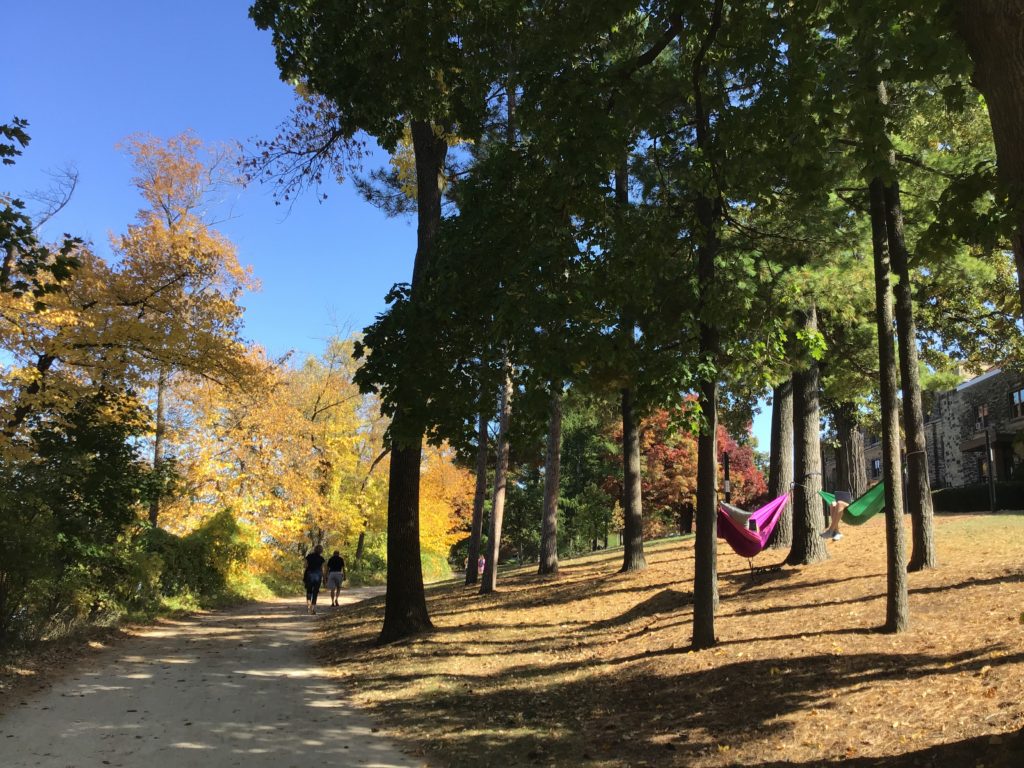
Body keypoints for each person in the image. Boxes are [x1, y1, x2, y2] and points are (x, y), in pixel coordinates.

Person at [303, 544, 326, 614]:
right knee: (315, 592)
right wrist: (324, 578)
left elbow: (305, 566)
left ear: (315, 549)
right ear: (321, 551)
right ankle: (313, 609)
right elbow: (322, 570)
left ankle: (308, 607)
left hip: (309, 575)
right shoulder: (322, 559)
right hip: (318, 576)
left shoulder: (309, 556)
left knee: (309, 591)